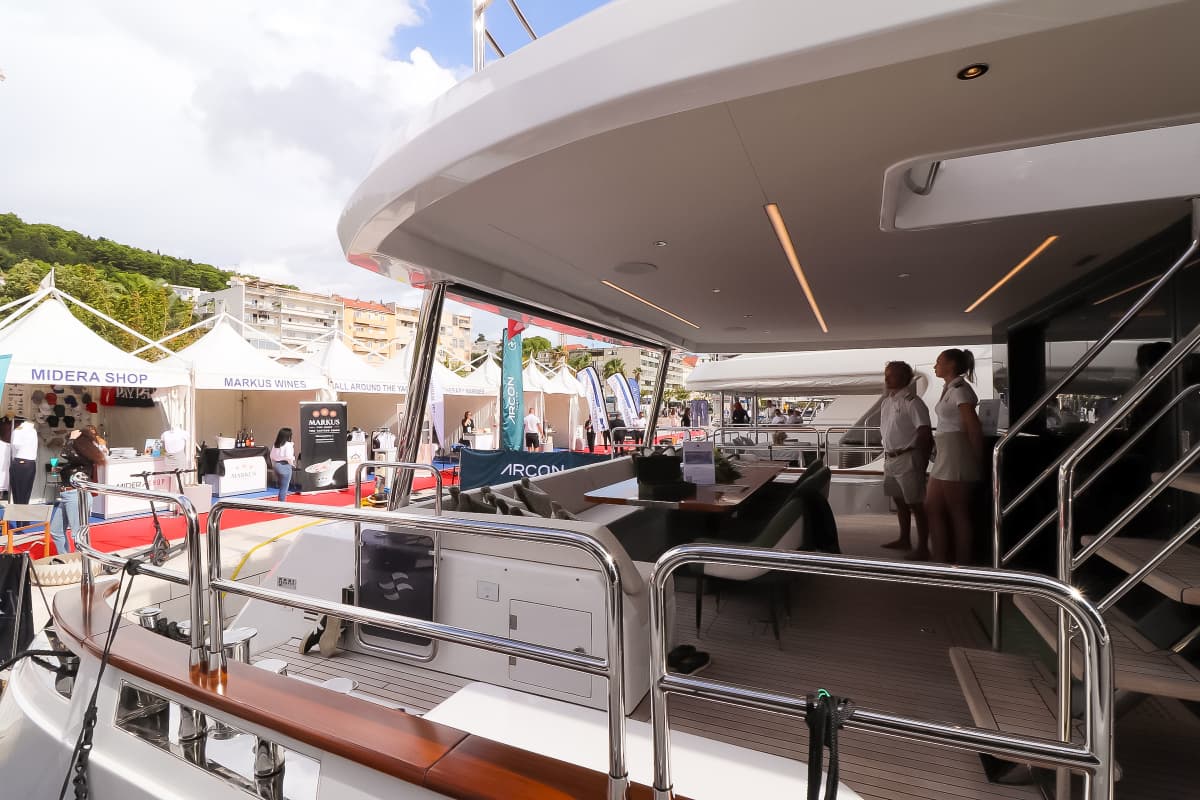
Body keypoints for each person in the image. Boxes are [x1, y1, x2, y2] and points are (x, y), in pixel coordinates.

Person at [925, 348, 983, 564]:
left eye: (939, 362)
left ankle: (962, 563)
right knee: (932, 506)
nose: (935, 366)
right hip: (945, 453)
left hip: (957, 454)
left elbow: (972, 427)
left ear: (950, 365)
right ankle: (940, 557)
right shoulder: (951, 388)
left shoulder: (960, 390)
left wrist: (978, 460)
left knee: (958, 511)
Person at [878, 361, 933, 557]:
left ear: (903, 377)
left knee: (916, 503)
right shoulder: (887, 402)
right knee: (899, 501)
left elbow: (924, 431)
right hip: (890, 458)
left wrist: (921, 459)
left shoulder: (913, 402)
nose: (886, 379)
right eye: (886, 374)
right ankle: (904, 539)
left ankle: (923, 548)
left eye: (890, 375)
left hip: (908, 457)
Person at [51, 428, 106, 555]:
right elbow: (72, 462)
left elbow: (65, 454)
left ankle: (81, 563)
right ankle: (66, 559)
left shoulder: (82, 454)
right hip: (68, 495)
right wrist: (62, 469)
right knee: (56, 530)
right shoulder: (82, 455)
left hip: (75, 495)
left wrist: (71, 439)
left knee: (78, 534)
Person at [10, 418, 38, 505]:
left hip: (21, 462)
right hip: (27, 462)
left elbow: (15, 446)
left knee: (19, 492)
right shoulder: (28, 430)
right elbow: (16, 445)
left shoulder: (23, 430)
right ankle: (21, 516)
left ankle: (21, 516)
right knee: (24, 492)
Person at [270, 427, 295, 502]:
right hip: (285, 466)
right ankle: (282, 504)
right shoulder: (288, 445)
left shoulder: (276, 444)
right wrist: (292, 463)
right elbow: (289, 456)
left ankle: (281, 503)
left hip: (277, 465)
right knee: (284, 487)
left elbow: (271, 456)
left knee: (281, 486)